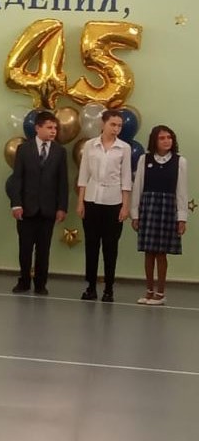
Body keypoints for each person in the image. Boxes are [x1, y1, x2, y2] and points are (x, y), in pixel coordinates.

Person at [8, 110, 69, 295]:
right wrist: (16, 204)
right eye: (49, 127)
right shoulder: (24, 149)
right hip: (27, 208)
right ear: (37, 128)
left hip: (48, 209)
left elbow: (63, 182)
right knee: (25, 248)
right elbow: (17, 178)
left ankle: (41, 283)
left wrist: (62, 207)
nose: (53, 131)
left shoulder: (60, 151)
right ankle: (24, 281)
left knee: (44, 250)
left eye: (55, 128)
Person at [77, 109, 132, 302]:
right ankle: (90, 286)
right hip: (91, 200)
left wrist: (125, 206)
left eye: (119, 126)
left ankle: (109, 288)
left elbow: (126, 179)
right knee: (91, 246)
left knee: (110, 247)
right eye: (113, 124)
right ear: (103, 123)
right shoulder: (90, 145)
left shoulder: (124, 148)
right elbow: (84, 175)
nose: (116, 129)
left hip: (113, 202)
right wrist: (80, 202)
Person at [131, 124, 188, 306]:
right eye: (162, 138)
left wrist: (181, 218)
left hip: (167, 208)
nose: (166, 141)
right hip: (148, 207)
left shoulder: (180, 161)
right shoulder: (144, 159)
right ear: (154, 141)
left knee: (161, 253)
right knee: (149, 252)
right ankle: (149, 291)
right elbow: (138, 187)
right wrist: (135, 214)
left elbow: (181, 191)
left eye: (169, 137)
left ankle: (160, 293)